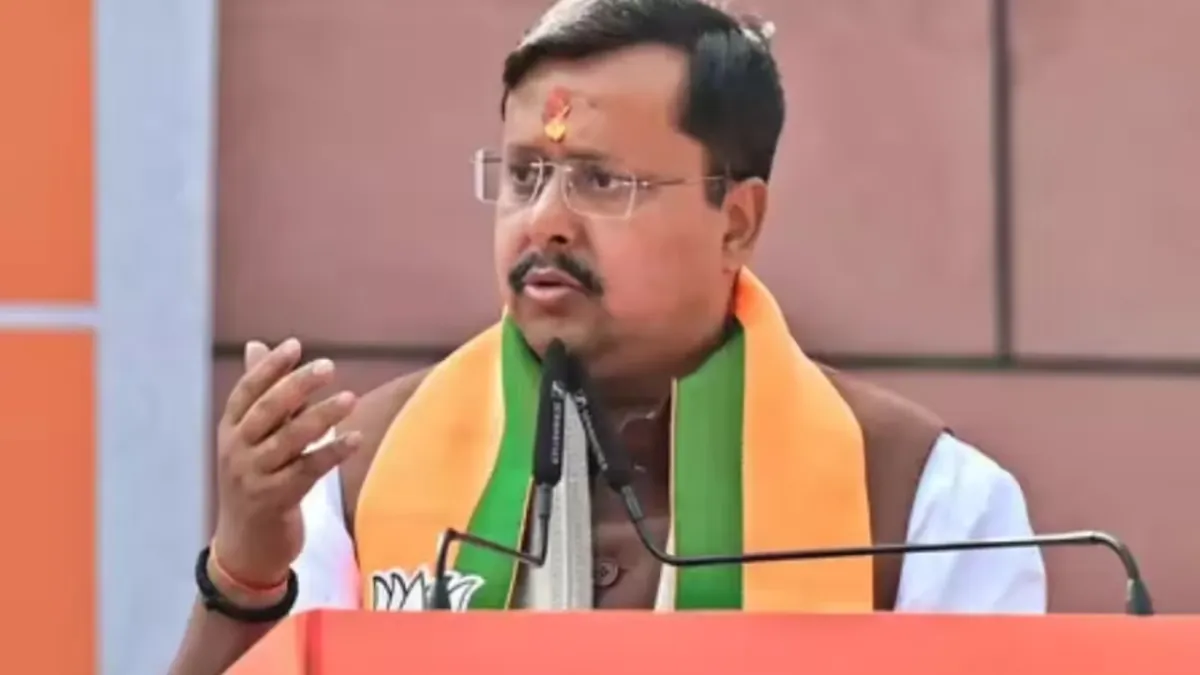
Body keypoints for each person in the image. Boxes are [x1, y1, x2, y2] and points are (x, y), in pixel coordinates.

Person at [170, 0, 1046, 672]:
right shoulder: (359, 472)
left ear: (737, 221)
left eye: (600, 182)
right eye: (525, 176)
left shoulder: (926, 502)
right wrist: (246, 572)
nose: (545, 221)